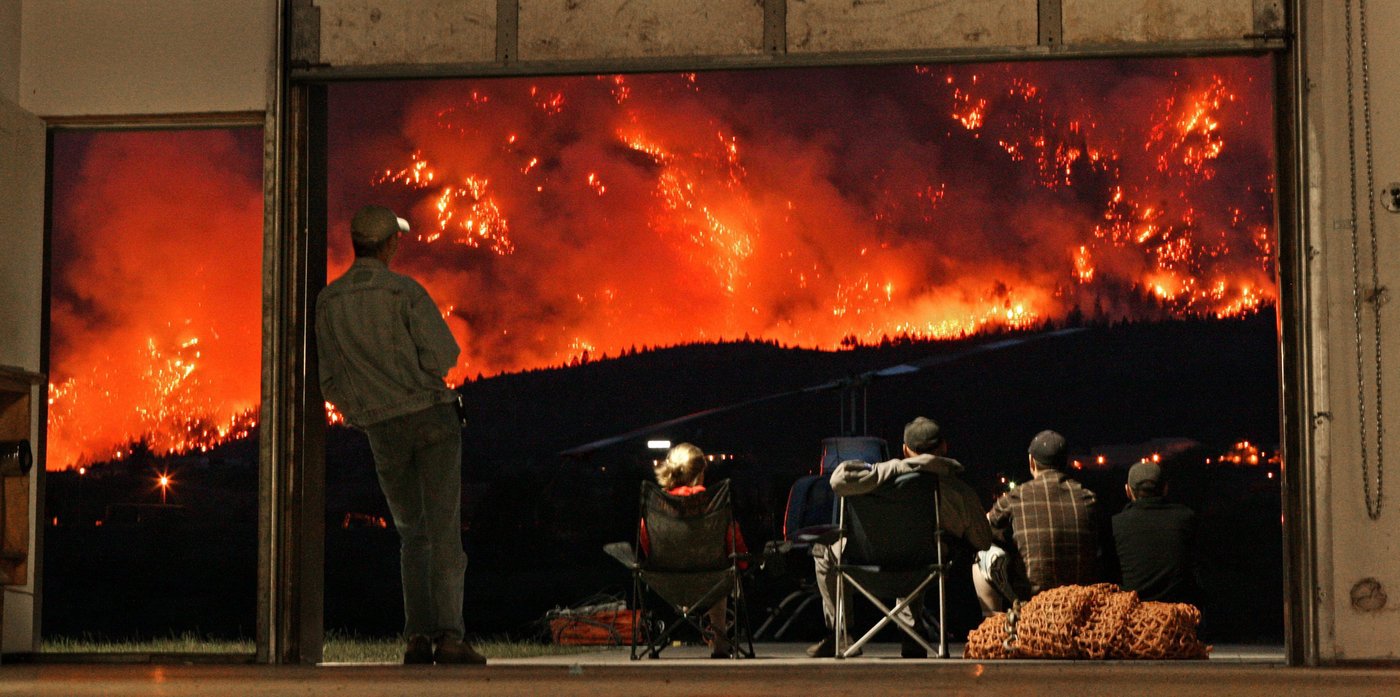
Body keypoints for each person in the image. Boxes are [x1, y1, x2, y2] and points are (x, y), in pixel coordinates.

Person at [315, 205, 482, 666]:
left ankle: (417, 639)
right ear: (389, 244)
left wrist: (362, 407)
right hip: (430, 418)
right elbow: (443, 356)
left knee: (412, 534)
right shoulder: (404, 292)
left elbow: (328, 380)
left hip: (381, 428)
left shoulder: (329, 302)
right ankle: (450, 637)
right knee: (445, 530)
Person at [808, 417, 995, 659]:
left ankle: (841, 634)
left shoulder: (875, 478)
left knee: (823, 551)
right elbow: (983, 541)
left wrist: (892, 467)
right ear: (944, 447)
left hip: (863, 568)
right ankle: (911, 633)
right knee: (922, 547)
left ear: (905, 449)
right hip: (922, 570)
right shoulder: (956, 490)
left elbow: (838, 479)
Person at [616, 443, 747, 658]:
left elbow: (646, 543)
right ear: (699, 474)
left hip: (666, 582)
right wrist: (742, 563)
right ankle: (720, 642)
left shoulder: (657, 505)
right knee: (723, 574)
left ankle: (656, 641)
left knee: (718, 574)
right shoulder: (713, 503)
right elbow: (733, 541)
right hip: (712, 581)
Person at [976, 430, 1098, 613]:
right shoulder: (1088, 498)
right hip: (1079, 600)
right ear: (1064, 462)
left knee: (981, 554)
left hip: (1032, 600)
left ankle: (994, 625)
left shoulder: (1016, 496)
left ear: (1032, 462)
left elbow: (981, 529)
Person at [1113, 460, 1201, 604]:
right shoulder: (1186, 518)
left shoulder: (1115, 524)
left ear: (1128, 491)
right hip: (1177, 609)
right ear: (1165, 489)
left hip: (1132, 610)